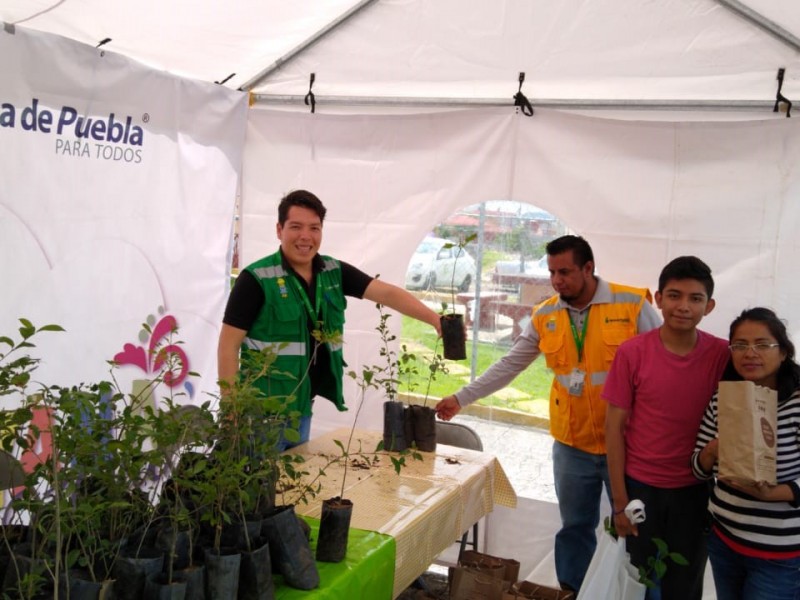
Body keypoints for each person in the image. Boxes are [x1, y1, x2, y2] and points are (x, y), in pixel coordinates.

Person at [435, 234, 660, 593]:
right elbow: (510, 365)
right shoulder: (546, 315)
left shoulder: (632, 304)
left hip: (630, 444)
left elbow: (662, 366)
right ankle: (574, 590)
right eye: (552, 272)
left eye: (566, 272)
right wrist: (462, 397)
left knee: (636, 524)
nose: (557, 280)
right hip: (573, 446)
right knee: (575, 528)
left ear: (589, 268)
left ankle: (637, 591)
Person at [218, 189, 442, 450]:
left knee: (291, 487)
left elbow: (387, 293)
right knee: (257, 487)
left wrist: (435, 320)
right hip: (258, 415)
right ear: (279, 230)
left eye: (314, 228)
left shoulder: (332, 272)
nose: (306, 236)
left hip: (301, 408)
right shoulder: (256, 279)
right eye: (296, 227)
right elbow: (227, 347)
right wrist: (232, 413)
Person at [603, 256, 730, 600]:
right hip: (641, 487)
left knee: (685, 584)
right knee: (636, 584)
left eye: (695, 298)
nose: (683, 307)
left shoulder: (722, 355)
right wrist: (619, 503)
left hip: (696, 489)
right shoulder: (633, 352)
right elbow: (613, 430)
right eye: (674, 296)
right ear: (657, 299)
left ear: (710, 305)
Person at [692, 307, 800, 600]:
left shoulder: (796, 404)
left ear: (783, 352)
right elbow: (698, 468)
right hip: (724, 540)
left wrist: (773, 493)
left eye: (763, 345)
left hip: (779, 553)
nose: (750, 353)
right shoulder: (723, 399)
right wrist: (713, 449)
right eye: (740, 345)